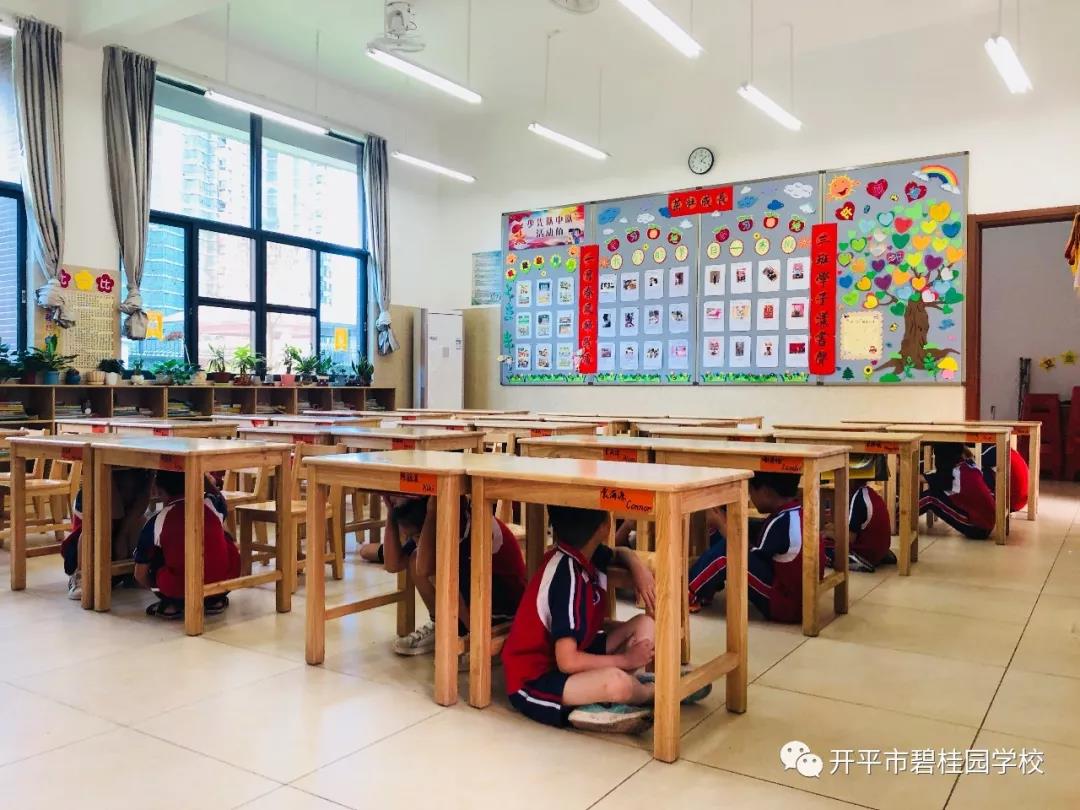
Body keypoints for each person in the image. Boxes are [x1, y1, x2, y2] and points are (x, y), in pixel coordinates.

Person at [501, 504, 668, 734]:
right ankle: (653, 693)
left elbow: (619, 552)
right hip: (536, 679)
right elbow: (567, 662)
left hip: (574, 655)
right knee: (616, 683)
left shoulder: (586, 553)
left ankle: (610, 696)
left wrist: (638, 568)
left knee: (645, 624)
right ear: (605, 526)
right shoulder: (566, 576)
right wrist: (626, 660)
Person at [383, 494, 527, 658]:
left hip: (503, 610)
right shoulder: (435, 522)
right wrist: (390, 513)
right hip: (477, 600)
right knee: (418, 558)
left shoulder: (466, 526)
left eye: (416, 536)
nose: (415, 541)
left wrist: (432, 512)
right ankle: (444, 626)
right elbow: (393, 564)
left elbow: (424, 568)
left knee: (437, 568)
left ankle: (476, 641)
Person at [688, 471, 824, 623]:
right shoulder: (795, 513)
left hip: (785, 605)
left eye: (751, 491)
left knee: (728, 552)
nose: (750, 496)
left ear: (765, 492)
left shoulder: (779, 523)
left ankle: (687, 593)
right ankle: (706, 589)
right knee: (738, 531)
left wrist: (723, 526)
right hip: (799, 599)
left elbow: (748, 554)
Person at [134, 471, 240, 618]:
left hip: (180, 592)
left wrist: (160, 589)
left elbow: (140, 574)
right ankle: (215, 601)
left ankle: (170, 605)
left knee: (153, 553)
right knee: (225, 538)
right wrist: (201, 476)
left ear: (159, 491)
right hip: (221, 586)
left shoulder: (156, 521)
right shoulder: (212, 504)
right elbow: (218, 496)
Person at [61, 469, 153, 600]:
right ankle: (81, 576)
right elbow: (111, 516)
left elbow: (141, 503)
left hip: (118, 544)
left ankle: (132, 574)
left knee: (139, 522)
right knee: (97, 527)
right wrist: (119, 539)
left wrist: (123, 534)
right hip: (84, 553)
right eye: (123, 488)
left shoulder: (139, 487)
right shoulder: (96, 492)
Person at [919, 443, 995, 540]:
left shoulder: (954, 476)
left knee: (930, 498)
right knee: (936, 491)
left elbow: (934, 479)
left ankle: (902, 518)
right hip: (986, 522)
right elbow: (939, 478)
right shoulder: (969, 465)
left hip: (978, 528)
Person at [826, 482, 896, 573]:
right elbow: (855, 527)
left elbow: (850, 538)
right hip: (881, 549)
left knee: (823, 547)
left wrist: (829, 534)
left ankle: (858, 560)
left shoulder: (858, 497)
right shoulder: (869, 493)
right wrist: (835, 527)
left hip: (868, 552)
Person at [980, 443, 1029, 513]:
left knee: (976, 469)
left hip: (1009, 503)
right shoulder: (1009, 450)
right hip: (1019, 503)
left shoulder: (996, 451)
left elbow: (975, 460)